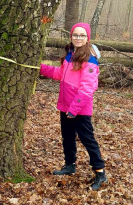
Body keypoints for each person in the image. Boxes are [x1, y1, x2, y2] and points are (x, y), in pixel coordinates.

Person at [39, 23, 107, 191]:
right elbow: (59, 74)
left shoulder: (89, 59)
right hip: (65, 105)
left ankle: (100, 172)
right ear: (71, 36)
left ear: (87, 38)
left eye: (82, 35)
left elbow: (88, 88)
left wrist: (74, 109)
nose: (78, 38)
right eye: (75, 35)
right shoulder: (70, 54)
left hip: (80, 109)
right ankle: (70, 165)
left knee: (87, 139)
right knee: (67, 136)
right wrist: (39, 68)